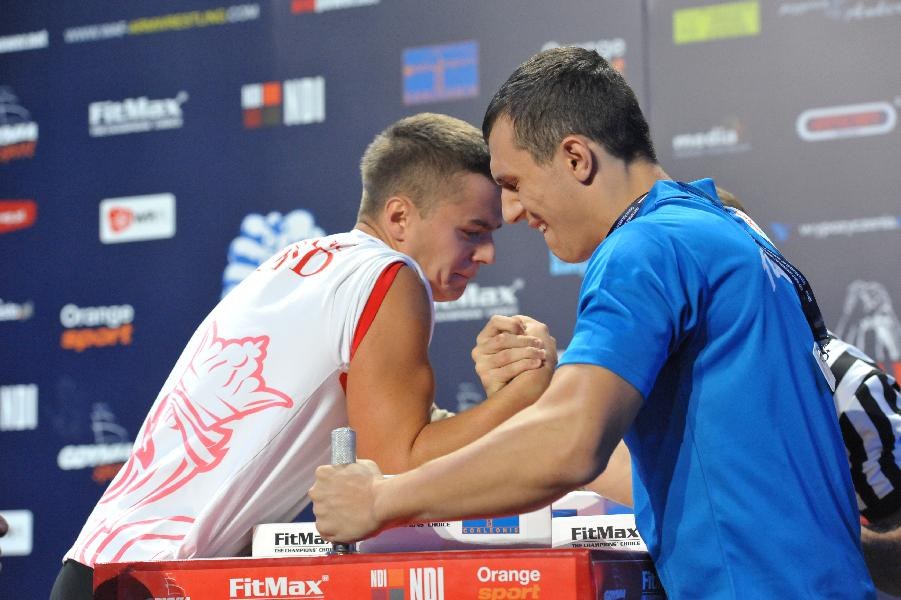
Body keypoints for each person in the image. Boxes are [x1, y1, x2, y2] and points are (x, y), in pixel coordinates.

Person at [310, 48, 875, 598]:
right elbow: (683, 471)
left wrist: (382, 499)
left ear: (576, 158)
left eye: (512, 184)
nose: (509, 214)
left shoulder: (644, 246)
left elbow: (570, 445)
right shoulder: (725, 228)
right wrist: (539, 401)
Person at [50, 113, 554, 600]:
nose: (487, 254)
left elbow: (380, 435)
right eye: (471, 231)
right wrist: (527, 397)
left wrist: (493, 408)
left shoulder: (300, 262)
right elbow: (397, 469)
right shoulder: (392, 276)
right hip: (156, 580)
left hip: (99, 566)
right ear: (399, 217)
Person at [478, 188, 901, 595]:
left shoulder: (849, 386)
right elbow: (609, 466)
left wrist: (815, 534)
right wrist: (522, 396)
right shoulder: (648, 386)